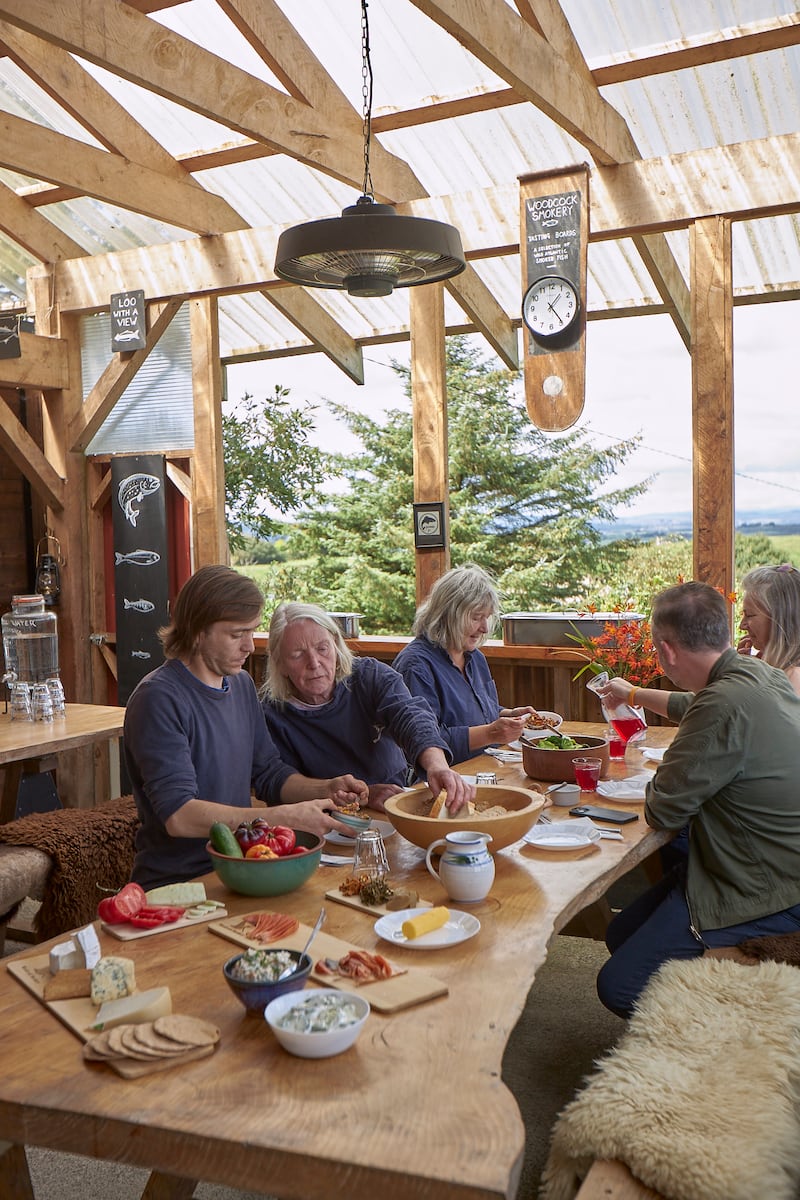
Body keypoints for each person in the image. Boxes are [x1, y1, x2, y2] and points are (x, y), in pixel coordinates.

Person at [595, 581, 800, 1019]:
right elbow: (693, 704)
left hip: (763, 889)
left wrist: (670, 767)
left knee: (621, 984)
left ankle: (735, 1010)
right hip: (773, 864)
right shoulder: (755, 674)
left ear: (667, 652)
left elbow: (662, 808)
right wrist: (632, 693)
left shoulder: (723, 704)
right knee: (621, 934)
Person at [124, 566, 367, 889]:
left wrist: (324, 790)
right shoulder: (158, 698)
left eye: (252, 632)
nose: (250, 647)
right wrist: (282, 818)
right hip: (179, 883)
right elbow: (179, 816)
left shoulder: (239, 684)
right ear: (198, 631)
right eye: (237, 634)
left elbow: (268, 774)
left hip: (244, 870)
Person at [261, 602, 474, 813]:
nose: (314, 663)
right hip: (324, 821)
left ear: (335, 645)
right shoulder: (270, 715)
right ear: (280, 662)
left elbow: (410, 715)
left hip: (395, 799)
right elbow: (276, 780)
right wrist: (357, 794)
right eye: (298, 654)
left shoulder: (368, 675)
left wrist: (437, 766)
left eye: (322, 648)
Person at [391, 564, 533, 762]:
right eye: (476, 617)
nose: (484, 628)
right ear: (448, 615)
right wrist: (491, 734)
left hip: (488, 767)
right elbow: (422, 740)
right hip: (446, 780)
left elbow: (474, 711)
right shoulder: (416, 666)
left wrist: (510, 715)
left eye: (487, 618)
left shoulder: (475, 657)